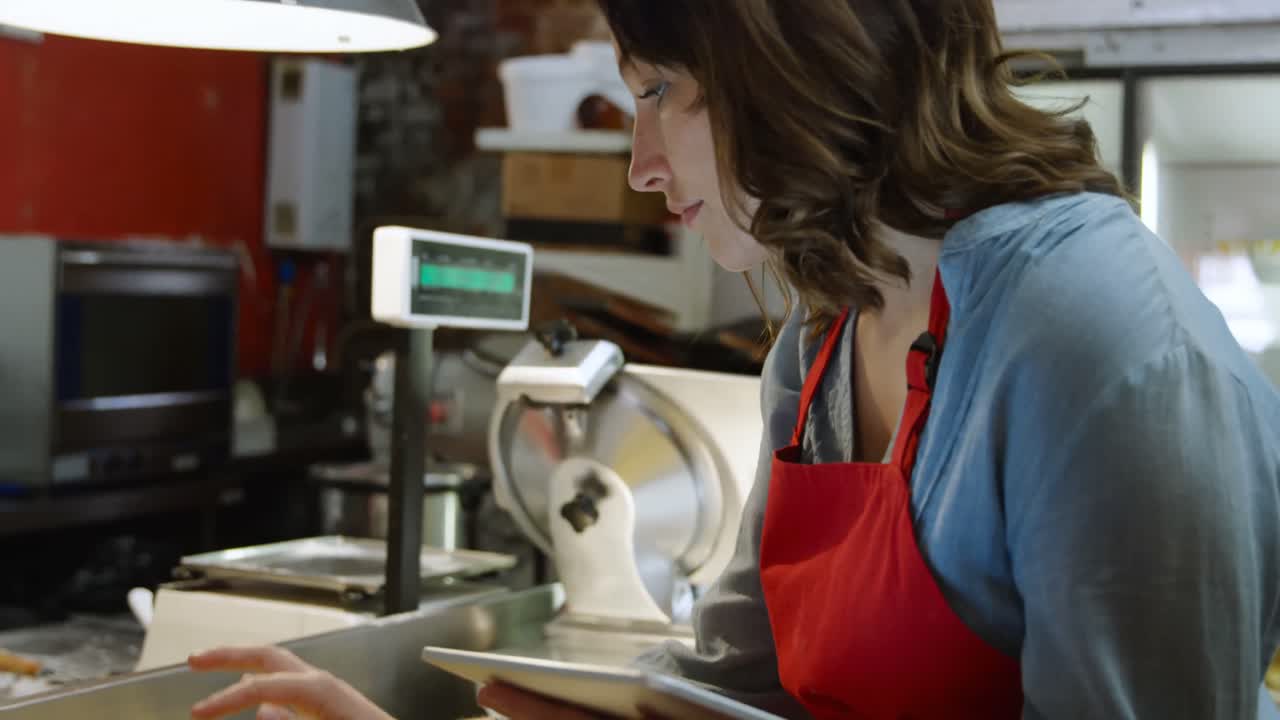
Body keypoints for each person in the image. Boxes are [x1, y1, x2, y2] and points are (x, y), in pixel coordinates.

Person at [189, 1, 1280, 718]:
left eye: (660, 90)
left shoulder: (1101, 347)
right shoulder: (819, 340)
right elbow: (730, 697)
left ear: (798, 53)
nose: (640, 163)